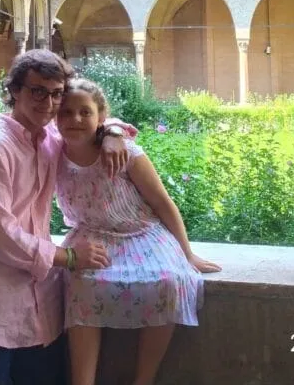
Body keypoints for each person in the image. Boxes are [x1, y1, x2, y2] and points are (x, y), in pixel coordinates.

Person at [0, 50, 132, 385]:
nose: (48, 103)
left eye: (56, 94)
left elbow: (88, 122)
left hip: (40, 310)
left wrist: (113, 133)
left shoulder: (49, 140)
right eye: (37, 92)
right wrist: (70, 257)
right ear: (15, 91)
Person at [56, 78, 222, 385]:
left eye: (85, 112)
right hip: (91, 235)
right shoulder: (52, 153)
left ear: (101, 116)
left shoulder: (125, 153)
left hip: (142, 232)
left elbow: (162, 202)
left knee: (168, 282)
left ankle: (144, 380)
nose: (75, 119)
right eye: (65, 112)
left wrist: (187, 255)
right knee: (81, 285)